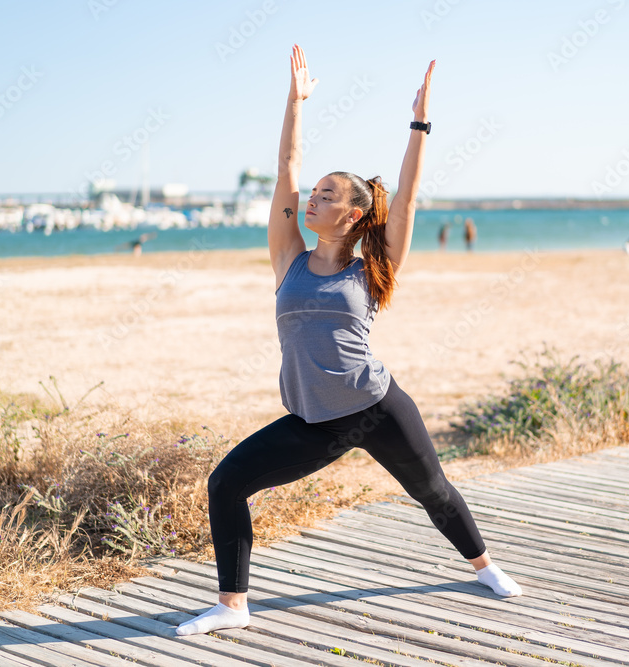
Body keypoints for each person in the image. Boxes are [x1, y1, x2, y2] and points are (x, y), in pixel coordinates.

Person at [175, 44, 521, 638]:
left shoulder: (372, 267)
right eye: (315, 193)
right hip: (314, 420)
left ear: (357, 214)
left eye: (329, 195)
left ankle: (484, 566)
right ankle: (233, 605)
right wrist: (295, 102)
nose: (313, 197)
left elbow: (407, 199)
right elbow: (286, 168)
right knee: (226, 483)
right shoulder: (288, 258)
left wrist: (419, 125)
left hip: (376, 406)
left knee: (432, 490)